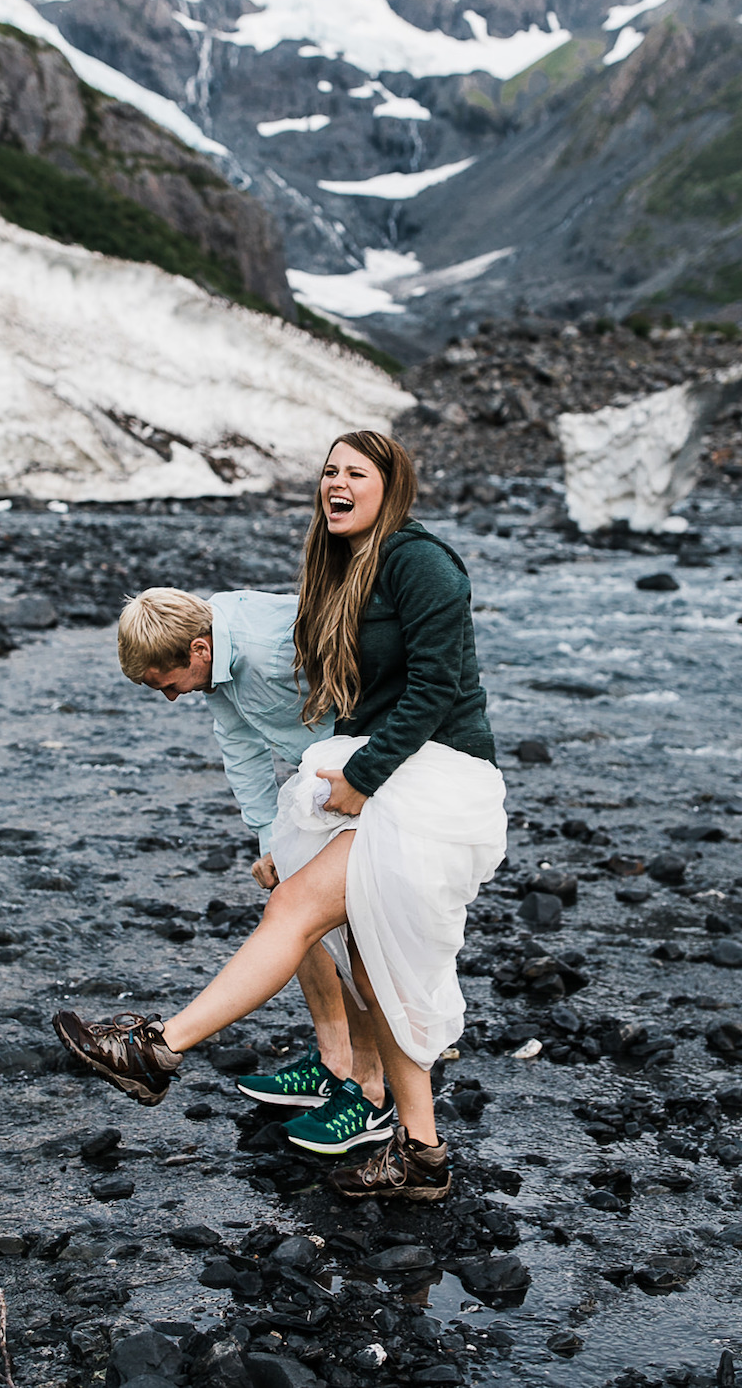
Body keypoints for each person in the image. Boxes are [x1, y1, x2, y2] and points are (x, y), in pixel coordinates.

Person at [55, 431, 505, 1202]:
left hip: (437, 775)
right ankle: (420, 1154)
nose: (336, 480)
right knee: (371, 956)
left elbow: (436, 687)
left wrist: (357, 774)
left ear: (391, 486)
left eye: (355, 472)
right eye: (328, 470)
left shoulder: (422, 563)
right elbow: (298, 720)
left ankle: (157, 1048)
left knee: (296, 907)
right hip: (387, 771)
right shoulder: (343, 567)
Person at [116, 587, 395, 1155]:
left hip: (369, 776)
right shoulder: (215, 661)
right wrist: (273, 841)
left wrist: (363, 785)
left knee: (350, 928)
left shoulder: (276, 643)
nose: (169, 699)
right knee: (292, 902)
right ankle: (334, 1065)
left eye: (166, 685)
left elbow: (376, 688)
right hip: (319, 780)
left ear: (197, 649)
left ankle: (369, 1095)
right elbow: (239, 746)